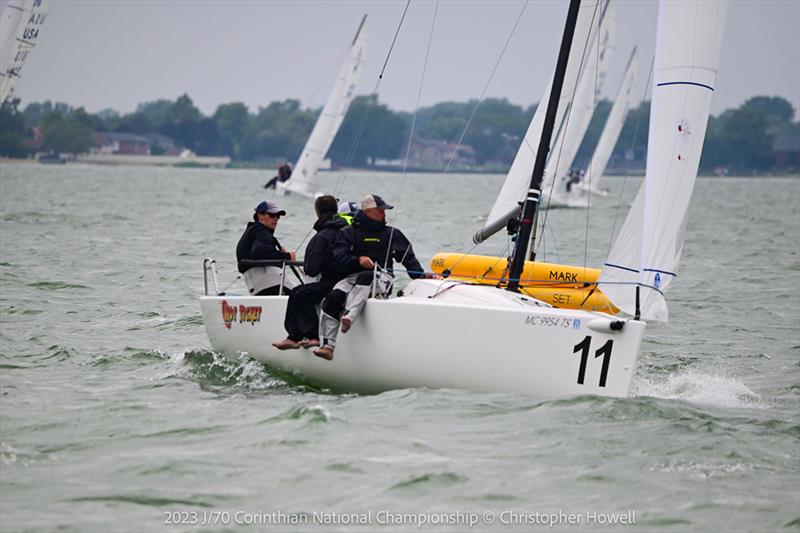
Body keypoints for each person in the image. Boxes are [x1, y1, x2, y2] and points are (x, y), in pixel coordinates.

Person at [313, 194, 428, 361]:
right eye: (381, 210)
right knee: (333, 297)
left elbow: (408, 259)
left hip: (382, 279)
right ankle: (327, 346)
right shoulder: (348, 233)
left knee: (367, 276)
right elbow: (338, 259)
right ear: (369, 211)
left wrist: (421, 276)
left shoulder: (392, 234)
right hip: (352, 278)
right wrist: (357, 260)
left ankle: (350, 317)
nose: (384, 214)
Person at [272, 195, 349, 350]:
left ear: (317, 212)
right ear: (335, 210)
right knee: (301, 292)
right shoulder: (346, 229)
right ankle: (296, 336)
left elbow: (312, 269)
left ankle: (308, 336)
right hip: (348, 279)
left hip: (332, 281)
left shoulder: (323, 235)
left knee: (299, 293)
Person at [236, 200, 297, 296]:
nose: (276, 219)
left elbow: (259, 253)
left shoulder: (252, 231)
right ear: (260, 215)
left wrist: (277, 253)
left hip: (255, 284)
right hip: (268, 282)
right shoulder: (262, 232)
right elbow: (260, 252)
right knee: (303, 295)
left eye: (278, 216)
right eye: (272, 215)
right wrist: (287, 256)